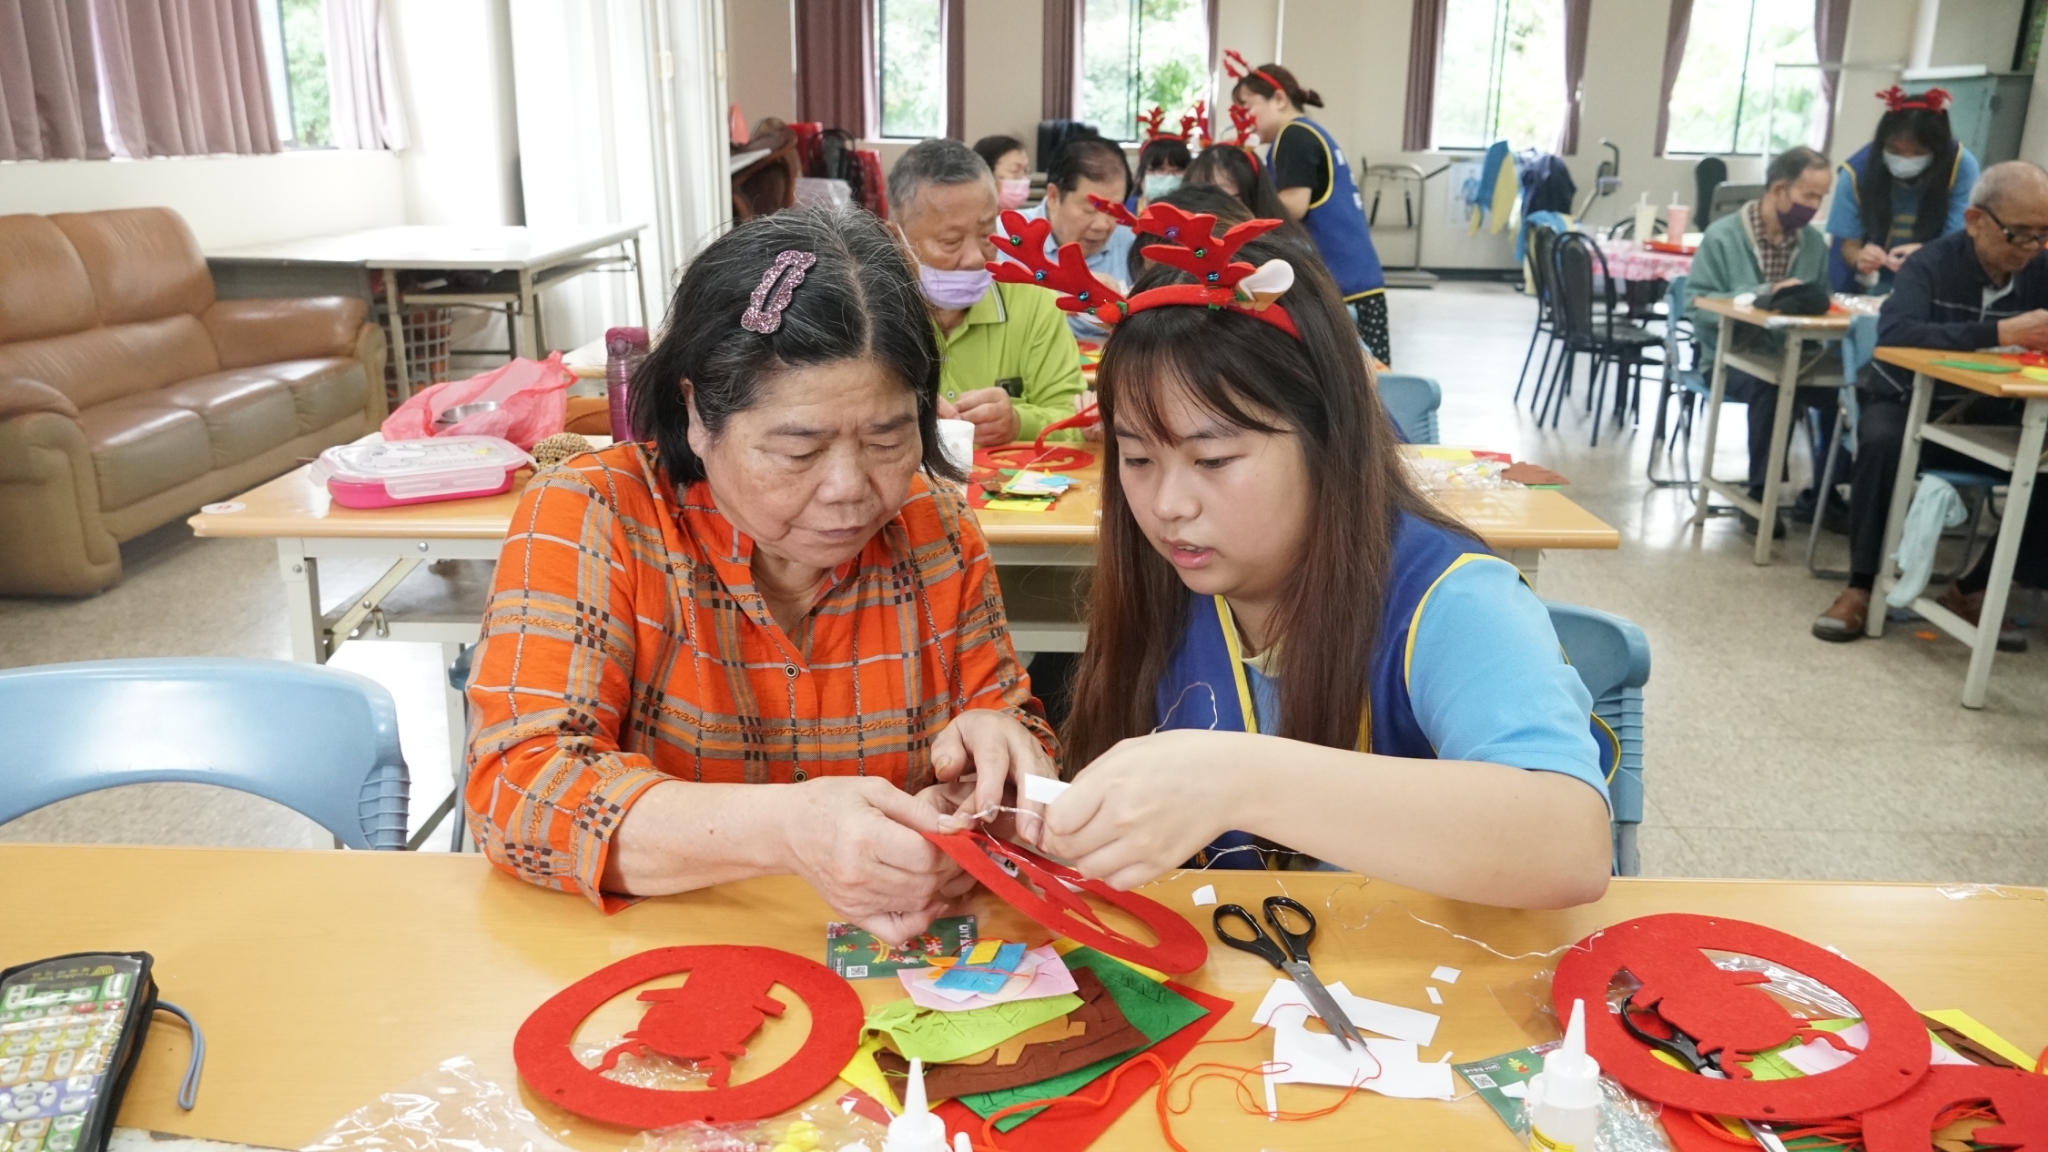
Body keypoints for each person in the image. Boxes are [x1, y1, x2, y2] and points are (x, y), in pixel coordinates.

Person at [464, 207, 1059, 934]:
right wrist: (786, 831)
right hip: (659, 960)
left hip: (888, 973)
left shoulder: (936, 527)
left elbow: (1014, 730)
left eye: (887, 438)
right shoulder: (598, 516)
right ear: (696, 413)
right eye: (797, 450)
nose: (849, 488)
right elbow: (518, 790)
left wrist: (990, 773)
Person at [1021, 220, 1611, 909]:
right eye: (1138, 459)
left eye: (1213, 461)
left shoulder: (1449, 599)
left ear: (1326, 439)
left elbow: (1570, 843)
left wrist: (1240, 780)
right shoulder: (1174, 582)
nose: (1168, 504)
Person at [1812, 161, 2048, 647]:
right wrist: (1998, 333)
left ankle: (1972, 588)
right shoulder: (1932, 264)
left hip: (1993, 412)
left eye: (2042, 235)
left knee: (2043, 469)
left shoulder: (2038, 270)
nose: (2029, 249)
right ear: (1975, 221)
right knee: (1881, 443)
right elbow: (1896, 333)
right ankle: (1860, 586)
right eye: (2018, 234)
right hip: (1907, 400)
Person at [889, 138, 1087, 446]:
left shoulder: (1033, 304)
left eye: (986, 235)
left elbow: (1078, 421)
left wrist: (1019, 423)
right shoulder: (872, 316)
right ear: (896, 239)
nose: (976, 258)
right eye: (951, 242)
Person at [1686, 146, 1838, 537]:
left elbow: (1821, 299)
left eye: (1821, 198)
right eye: (1808, 196)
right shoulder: (1723, 238)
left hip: (1796, 357)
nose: (1814, 207)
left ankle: (1827, 492)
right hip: (1729, 356)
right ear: (1778, 189)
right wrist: (1763, 293)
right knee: (1770, 387)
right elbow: (1698, 306)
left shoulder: (1814, 245)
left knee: (1850, 390)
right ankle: (1760, 494)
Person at [1231, 60, 1391, 364]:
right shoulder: (1307, 132)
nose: (1244, 118)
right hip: (1358, 276)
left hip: (1342, 280)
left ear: (1278, 99)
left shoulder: (1293, 136)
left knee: (1357, 374)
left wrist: (1243, 216)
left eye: (1247, 106)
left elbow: (1295, 204)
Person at [1826, 87, 1981, 295]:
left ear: (1937, 150)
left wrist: (1926, 254)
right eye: (1894, 150)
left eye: (1918, 152)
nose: (1905, 159)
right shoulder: (1857, 172)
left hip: (1933, 280)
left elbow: (1959, 239)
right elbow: (1848, 247)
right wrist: (1861, 257)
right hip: (1868, 285)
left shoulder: (1960, 167)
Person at [1017, 136, 1137, 341]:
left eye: (1114, 210)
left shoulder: (1132, 243)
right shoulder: (1007, 236)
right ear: (1054, 196)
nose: (1103, 225)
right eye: (1090, 209)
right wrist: (1070, 295)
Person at [972, 135, 1033, 210]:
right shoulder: (966, 219)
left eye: (1026, 171)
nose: (1023, 179)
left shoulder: (1022, 219)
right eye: (1015, 170)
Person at [1135, 133, 1191, 207]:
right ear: (1141, 177)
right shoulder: (1124, 211)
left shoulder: (1199, 213)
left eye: (1178, 170)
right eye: (1160, 170)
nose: (1170, 178)